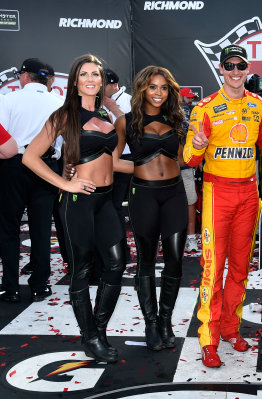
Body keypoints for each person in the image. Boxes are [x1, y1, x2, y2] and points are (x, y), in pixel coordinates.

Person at [183, 44, 262, 368]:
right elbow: (188, 159)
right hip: (217, 195)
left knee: (239, 269)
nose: (235, 72)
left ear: (247, 70)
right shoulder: (204, 109)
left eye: (241, 66)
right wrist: (196, 147)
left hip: (250, 196)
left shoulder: (258, 105)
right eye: (229, 66)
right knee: (212, 269)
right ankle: (208, 339)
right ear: (221, 69)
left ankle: (230, 329)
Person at [22, 54, 132, 363]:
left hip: (106, 200)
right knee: (81, 270)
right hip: (78, 201)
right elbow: (30, 157)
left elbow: (110, 160)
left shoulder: (103, 114)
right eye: (84, 74)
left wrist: (149, 167)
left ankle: (97, 329)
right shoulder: (64, 115)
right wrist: (64, 182)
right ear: (74, 81)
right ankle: (90, 337)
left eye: (95, 74)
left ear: (101, 81)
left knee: (115, 264)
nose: (91, 78)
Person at [114, 66, 186, 351]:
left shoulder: (177, 119)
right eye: (153, 87)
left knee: (175, 261)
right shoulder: (126, 121)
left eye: (164, 88)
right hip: (143, 195)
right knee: (145, 261)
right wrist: (141, 167)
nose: (158, 93)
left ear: (170, 91)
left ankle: (166, 320)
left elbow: (182, 159)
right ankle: (151, 323)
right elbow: (112, 160)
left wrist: (200, 147)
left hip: (174, 193)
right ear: (142, 88)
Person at [0, 58, 63, 303]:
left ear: (24, 76)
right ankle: (39, 286)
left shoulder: (8, 99)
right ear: (47, 79)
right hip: (46, 166)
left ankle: (10, 288)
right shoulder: (58, 102)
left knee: (8, 229)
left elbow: (4, 142)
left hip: (13, 166)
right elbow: (67, 145)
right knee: (41, 228)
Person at [103, 68, 134, 261]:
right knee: (111, 208)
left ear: (113, 85)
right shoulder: (94, 101)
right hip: (106, 160)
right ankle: (117, 250)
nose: (98, 87)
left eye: (102, 84)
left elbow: (136, 130)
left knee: (120, 207)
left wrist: (115, 110)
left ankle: (123, 252)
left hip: (127, 160)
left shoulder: (130, 100)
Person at [178, 87, 200, 252]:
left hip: (184, 164)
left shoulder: (192, 112)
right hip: (167, 166)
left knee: (190, 202)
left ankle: (191, 238)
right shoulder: (173, 111)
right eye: (188, 98)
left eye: (191, 98)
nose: (190, 101)